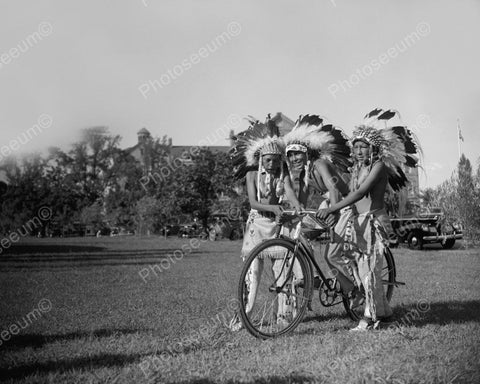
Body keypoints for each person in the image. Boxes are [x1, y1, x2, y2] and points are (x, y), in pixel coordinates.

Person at [317, 108, 422, 331]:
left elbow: (359, 193)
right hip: (357, 223)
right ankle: (385, 314)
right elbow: (348, 190)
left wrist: (334, 207)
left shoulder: (378, 167)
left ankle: (368, 319)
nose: (358, 151)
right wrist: (329, 176)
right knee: (365, 270)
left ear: (373, 148)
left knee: (370, 271)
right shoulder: (358, 168)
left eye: (363, 147)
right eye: (355, 147)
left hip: (373, 222)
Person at [228, 116, 303, 331]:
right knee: (253, 275)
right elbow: (253, 202)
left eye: (276, 160)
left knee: (282, 271)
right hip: (257, 226)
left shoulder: (282, 173)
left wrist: (296, 205)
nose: (272, 164)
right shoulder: (252, 174)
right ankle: (243, 316)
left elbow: (289, 191)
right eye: (268, 160)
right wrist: (272, 208)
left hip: (276, 225)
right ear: (260, 159)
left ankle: (285, 316)